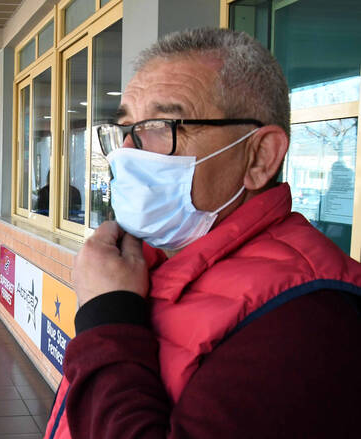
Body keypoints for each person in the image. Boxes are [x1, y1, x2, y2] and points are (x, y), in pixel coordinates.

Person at [45, 28, 361, 438]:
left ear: (260, 157)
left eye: (161, 125)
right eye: (125, 128)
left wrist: (107, 314)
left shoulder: (307, 318)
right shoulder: (153, 261)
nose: (127, 152)